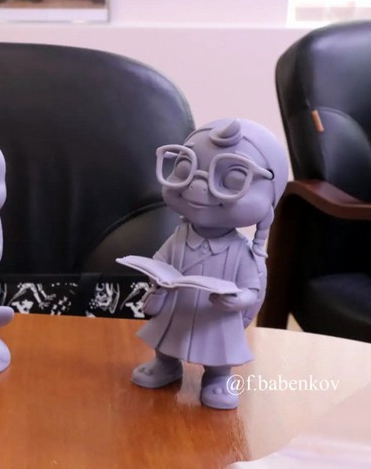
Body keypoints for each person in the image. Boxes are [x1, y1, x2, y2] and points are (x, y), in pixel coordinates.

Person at [118, 119, 288, 410]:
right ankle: (167, 364)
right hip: (178, 309)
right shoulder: (179, 237)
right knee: (167, 338)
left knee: (218, 351)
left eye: (232, 180)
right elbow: (161, 260)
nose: (197, 187)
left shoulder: (241, 251)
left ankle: (217, 377)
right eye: (186, 169)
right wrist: (158, 277)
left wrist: (238, 300)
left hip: (215, 316)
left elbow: (252, 290)